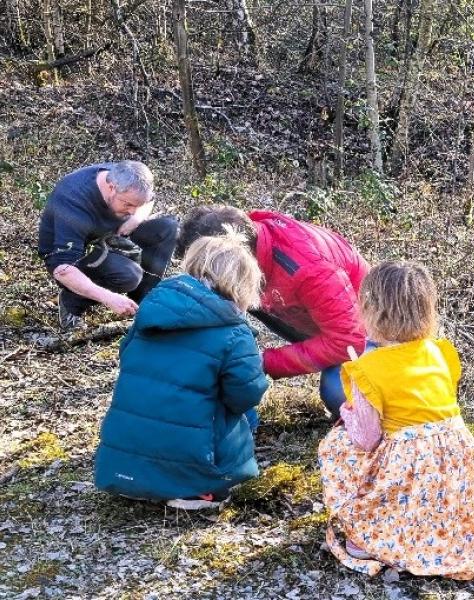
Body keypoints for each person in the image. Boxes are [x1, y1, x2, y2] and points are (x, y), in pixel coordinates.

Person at [317, 260, 474, 579]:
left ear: (371, 311)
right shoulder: (440, 352)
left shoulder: (368, 368)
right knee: (416, 461)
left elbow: (367, 438)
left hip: (411, 464)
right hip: (453, 461)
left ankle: (370, 533)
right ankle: (436, 527)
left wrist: (348, 413)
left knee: (338, 446)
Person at [94, 231, 268, 509]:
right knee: (247, 415)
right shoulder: (234, 331)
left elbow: (126, 356)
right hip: (192, 458)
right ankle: (199, 489)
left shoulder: (151, 310)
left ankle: (136, 478)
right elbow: (246, 393)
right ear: (243, 283)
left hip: (120, 465)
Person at [176, 205, 369, 421]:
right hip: (307, 314)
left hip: (364, 333)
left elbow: (350, 341)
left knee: (337, 392)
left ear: (233, 253)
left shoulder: (309, 270)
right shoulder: (248, 239)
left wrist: (264, 361)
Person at [37, 161, 179, 331]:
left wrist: (135, 220)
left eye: (137, 205)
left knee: (167, 228)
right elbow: (63, 269)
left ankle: (142, 304)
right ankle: (72, 302)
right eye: (128, 204)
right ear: (111, 188)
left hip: (109, 235)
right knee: (129, 275)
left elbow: (148, 201)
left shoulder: (126, 176)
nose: (133, 210)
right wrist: (109, 298)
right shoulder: (73, 202)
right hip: (74, 257)